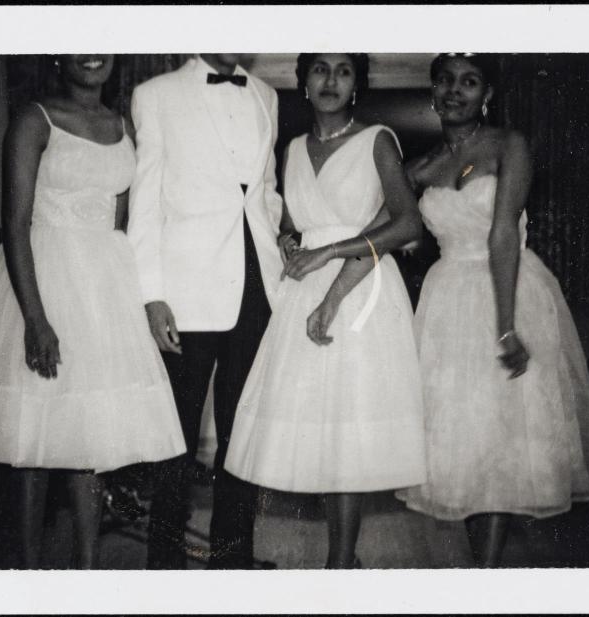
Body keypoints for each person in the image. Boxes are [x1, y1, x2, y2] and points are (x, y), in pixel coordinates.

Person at [0, 54, 186, 569]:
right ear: (58, 55)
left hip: (104, 288)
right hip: (44, 281)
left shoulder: (122, 124)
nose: (92, 55)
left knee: (89, 434)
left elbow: (119, 223)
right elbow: (16, 223)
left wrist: (130, 301)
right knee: (36, 437)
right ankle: (32, 571)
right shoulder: (34, 119)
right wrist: (35, 318)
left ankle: (87, 570)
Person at [396, 53, 589, 567]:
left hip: (510, 289)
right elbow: (397, 230)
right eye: (445, 81)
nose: (455, 91)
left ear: (487, 94)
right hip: (446, 303)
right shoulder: (417, 168)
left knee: (502, 434)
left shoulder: (508, 145)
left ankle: (487, 575)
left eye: (469, 82)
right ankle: (482, 567)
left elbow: (502, 237)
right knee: (462, 436)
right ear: (433, 92)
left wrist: (505, 328)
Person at [224, 53, 427, 569]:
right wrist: (290, 240)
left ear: (357, 84)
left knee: (347, 430)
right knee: (316, 425)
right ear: (303, 83)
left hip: (361, 289)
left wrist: (329, 252)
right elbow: (292, 220)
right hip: (301, 292)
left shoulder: (378, 139)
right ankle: (340, 559)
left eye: (343, 70)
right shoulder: (292, 148)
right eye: (320, 69)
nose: (331, 80)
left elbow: (407, 223)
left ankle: (339, 564)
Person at [129, 54, 284, 569]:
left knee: (242, 436)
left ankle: (232, 561)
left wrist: (276, 249)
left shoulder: (266, 96)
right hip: (184, 294)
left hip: (257, 288)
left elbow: (266, 193)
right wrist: (151, 295)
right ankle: (165, 565)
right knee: (175, 438)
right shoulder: (156, 94)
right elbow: (144, 203)